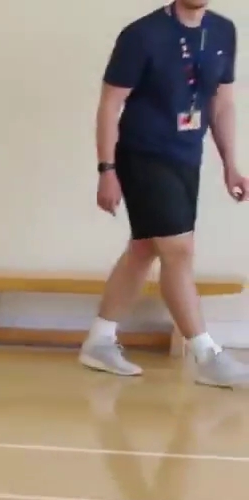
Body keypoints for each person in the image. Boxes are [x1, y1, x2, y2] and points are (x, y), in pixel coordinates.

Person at [85, 0, 247, 388]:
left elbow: (221, 102)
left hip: (186, 156)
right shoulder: (142, 35)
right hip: (142, 154)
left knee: (144, 249)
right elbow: (110, 105)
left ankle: (99, 341)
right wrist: (107, 170)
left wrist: (230, 164)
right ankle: (206, 354)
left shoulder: (223, 31)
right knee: (178, 250)